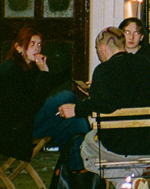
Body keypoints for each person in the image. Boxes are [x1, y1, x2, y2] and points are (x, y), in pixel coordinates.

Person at [58, 27, 150, 189]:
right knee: (130, 156)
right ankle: (130, 186)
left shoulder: (103, 71)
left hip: (118, 146)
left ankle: (125, 184)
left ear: (102, 48)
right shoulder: (145, 64)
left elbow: (105, 104)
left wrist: (76, 109)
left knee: (87, 147)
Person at [0, 25, 86, 163]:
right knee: (67, 96)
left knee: (76, 120)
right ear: (18, 47)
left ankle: (78, 168)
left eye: (39, 44)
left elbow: (43, 91)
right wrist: (44, 72)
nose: (37, 48)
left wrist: (47, 73)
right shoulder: (10, 70)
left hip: (27, 123)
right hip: (15, 132)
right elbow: (32, 106)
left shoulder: (28, 68)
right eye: (32, 44)